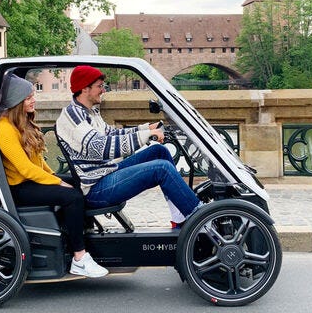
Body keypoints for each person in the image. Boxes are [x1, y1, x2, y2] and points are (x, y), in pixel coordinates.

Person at [56, 65, 202, 228]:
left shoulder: (90, 112)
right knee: (162, 168)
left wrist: (146, 128)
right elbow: (100, 147)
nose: (103, 90)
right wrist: (146, 135)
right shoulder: (72, 116)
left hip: (106, 173)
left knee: (159, 152)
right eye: (99, 86)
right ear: (84, 88)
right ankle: (201, 220)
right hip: (95, 189)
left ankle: (180, 218)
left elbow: (111, 134)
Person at [0, 74, 107, 278]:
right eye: (28, 98)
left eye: (32, 95)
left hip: (30, 181)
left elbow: (38, 161)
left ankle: (79, 233)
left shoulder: (21, 123)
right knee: (71, 196)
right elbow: (26, 169)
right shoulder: (4, 129)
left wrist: (55, 176)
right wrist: (57, 183)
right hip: (20, 188)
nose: (33, 100)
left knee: (79, 181)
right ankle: (80, 258)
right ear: (16, 102)